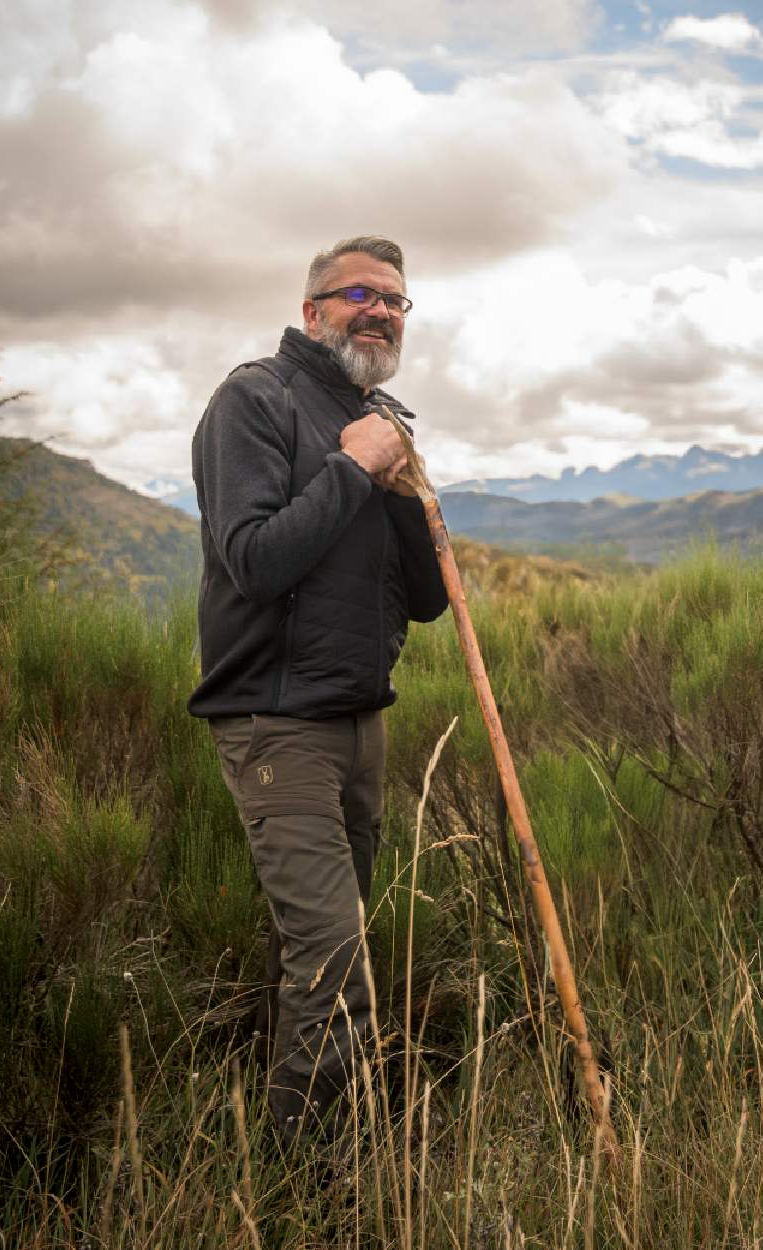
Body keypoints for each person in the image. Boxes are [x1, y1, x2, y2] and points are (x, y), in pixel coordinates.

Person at [188, 235, 448, 1148]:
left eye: (396, 302)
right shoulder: (252, 400)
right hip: (274, 723)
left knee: (320, 958)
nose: (381, 312)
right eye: (360, 295)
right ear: (312, 311)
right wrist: (350, 468)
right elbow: (255, 562)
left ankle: (281, 1147)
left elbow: (425, 602)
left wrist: (403, 486)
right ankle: (315, 1196)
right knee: (336, 972)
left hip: (358, 723)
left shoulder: (382, 421)